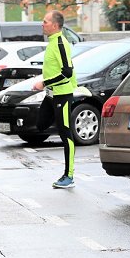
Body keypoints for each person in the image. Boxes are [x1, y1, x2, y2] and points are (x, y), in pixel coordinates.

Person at [32, 10, 78, 189]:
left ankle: (69, 176)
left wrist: (44, 83)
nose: (42, 24)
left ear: (55, 25)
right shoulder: (52, 42)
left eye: (45, 21)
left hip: (62, 95)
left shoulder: (60, 42)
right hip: (51, 95)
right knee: (40, 125)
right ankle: (60, 120)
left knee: (66, 133)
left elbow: (67, 72)